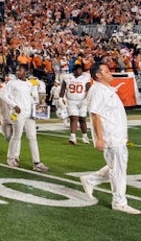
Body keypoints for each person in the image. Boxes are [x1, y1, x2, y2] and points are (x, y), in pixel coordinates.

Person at [80, 63, 141, 214]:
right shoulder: (97, 90)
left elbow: (114, 113)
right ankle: (119, 202)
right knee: (119, 169)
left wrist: (123, 131)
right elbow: (95, 115)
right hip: (110, 136)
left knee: (117, 166)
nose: (110, 73)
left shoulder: (106, 89)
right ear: (98, 75)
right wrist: (99, 138)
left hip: (117, 134)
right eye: (106, 71)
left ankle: (90, 180)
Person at [0, 64, 50, 172]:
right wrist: (14, 105)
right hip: (18, 113)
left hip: (29, 113)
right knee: (17, 136)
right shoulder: (12, 83)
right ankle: (11, 158)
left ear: (26, 71)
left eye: (20, 70)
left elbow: (29, 98)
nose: (18, 72)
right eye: (17, 70)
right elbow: (3, 95)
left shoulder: (29, 84)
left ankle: (37, 162)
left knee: (32, 137)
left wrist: (36, 106)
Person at [59, 64, 92, 145]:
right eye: (78, 70)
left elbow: (89, 89)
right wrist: (61, 98)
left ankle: (84, 136)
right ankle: (73, 137)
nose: (80, 71)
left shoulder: (86, 77)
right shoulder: (67, 77)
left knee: (82, 119)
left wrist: (88, 99)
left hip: (82, 101)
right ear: (74, 70)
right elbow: (63, 88)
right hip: (71, 101)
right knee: (74, 117)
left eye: (81, 70)